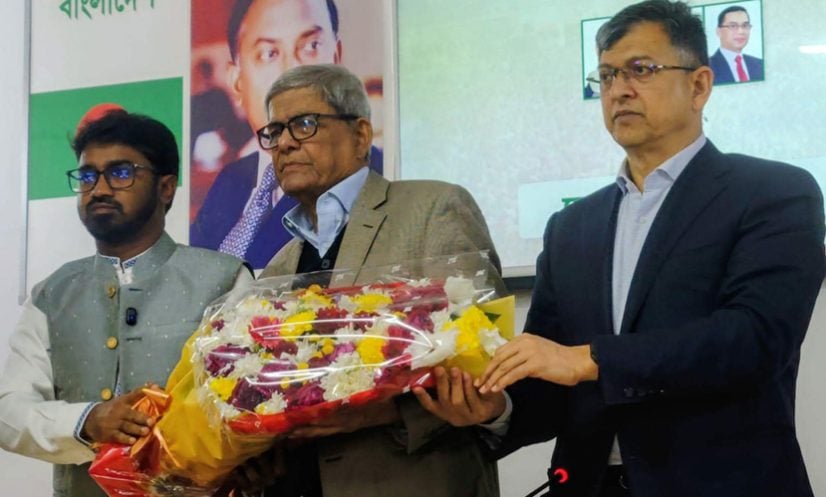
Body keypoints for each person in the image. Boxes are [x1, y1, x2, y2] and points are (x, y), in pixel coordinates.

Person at [421, 1, 824, 496]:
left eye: (641, 70)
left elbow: (755, 338)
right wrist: (496, 408)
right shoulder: (572, 227)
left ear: (699, 85)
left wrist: (591, 359)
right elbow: (551, 379)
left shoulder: (773, 192)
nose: (619, 90)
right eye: (608, 76)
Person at [253, 64, 503, 497]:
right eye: (275, 132)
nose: (286, 143)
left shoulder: (433, 209)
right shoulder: (276, 269)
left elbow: (484, 357)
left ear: (361, 134)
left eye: (304, 124)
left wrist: (378, 412)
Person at [0, 110, 251, 497]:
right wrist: (87, 421)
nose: (99, 189)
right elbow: (10, 411)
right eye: (88, 176)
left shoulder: (224, 279)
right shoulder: (53, 294)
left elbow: (249, 403)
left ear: (166, 188)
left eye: (120, 173)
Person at [190, 0, 383, 269]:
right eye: (269, 53)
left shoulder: (373, 175)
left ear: (337, 60)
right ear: (237, 82)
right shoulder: (230, 181)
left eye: (311, 46)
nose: (293, 73)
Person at [709, 5, 764, 84]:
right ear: (719, 31)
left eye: (745, 25)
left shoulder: (760, 64)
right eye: (733, 26)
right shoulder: (708, 66)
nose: (741, 32)